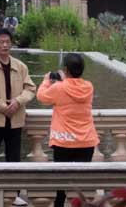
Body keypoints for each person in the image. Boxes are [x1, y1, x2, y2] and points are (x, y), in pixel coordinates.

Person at [36, 53, 99, 207]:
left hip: (63, 141)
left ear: (65, 69)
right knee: (82, 182)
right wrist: (66, 79)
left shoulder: (59, 87)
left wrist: (46, 81)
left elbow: (41, 97)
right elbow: (73, 87)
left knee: (61, 182)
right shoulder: (89, 87)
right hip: (86, 141)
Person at [0, 28, 35, 206]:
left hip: (16, 120)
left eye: (7, 41)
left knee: (14, 158)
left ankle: (15, 193)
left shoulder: (21, 66)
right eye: (1, 42)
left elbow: (30, 89)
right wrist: (4, 107)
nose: (5, 45)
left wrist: (18, 102)